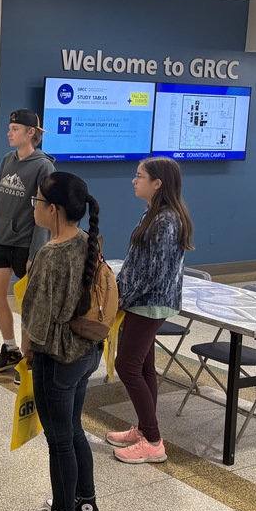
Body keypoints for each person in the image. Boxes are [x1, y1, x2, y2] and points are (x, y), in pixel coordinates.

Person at [13, 172, 104, 511]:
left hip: (58, 359)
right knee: (74, 429)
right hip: (86, 354)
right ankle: (85, 503)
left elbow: (37, 317)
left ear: (53, 209)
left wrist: (27, 351)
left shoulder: (50, 255)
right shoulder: (89, 242)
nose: (33, 207)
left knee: (60, 440)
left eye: (36, 201)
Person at [108, 156, 194, 464]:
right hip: (142, 301)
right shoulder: (155, 214)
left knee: (126, 366)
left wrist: (121, 298)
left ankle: (154, 442)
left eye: (139, 176)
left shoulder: (165, 221)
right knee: (143, 368)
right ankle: (145, 430)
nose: (134, 180)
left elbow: (153, 274)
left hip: (148, 303)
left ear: (157, 183)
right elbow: (139, 265)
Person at [0, 109, 55, 378]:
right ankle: (10, 348)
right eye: (9, 128)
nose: (9, 133)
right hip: (1, 238)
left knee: (27, 303)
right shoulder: (7, 159)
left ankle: (27, 358)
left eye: (14, 129)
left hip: (25, 244)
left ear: (31, 133)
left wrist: (35, 252)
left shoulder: (43, 166)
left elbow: (45, 212)